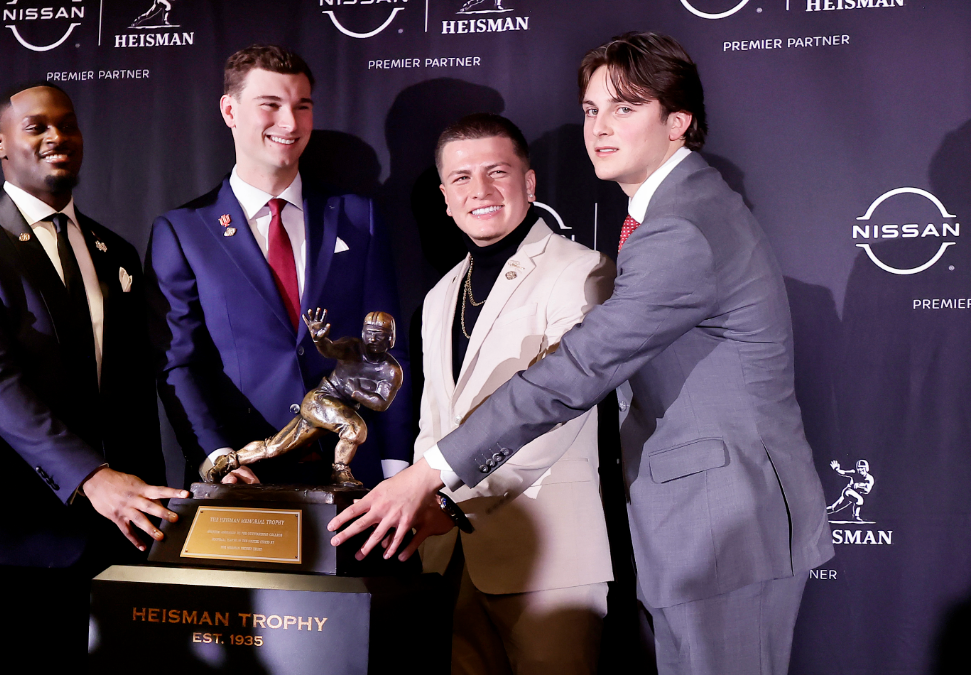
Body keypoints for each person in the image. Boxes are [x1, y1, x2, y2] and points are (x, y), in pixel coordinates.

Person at [329, 32, 834, 675]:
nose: (599, 126)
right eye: (593, 109)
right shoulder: (672, 212)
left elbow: (576, 372)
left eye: (625, 107)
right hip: (696, 523)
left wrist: (431, 473)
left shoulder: (684, 226)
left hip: (725, 527)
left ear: (678, 122)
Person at [0, 82, 184, 670]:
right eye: (36, 126)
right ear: (0, 143)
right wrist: (92, 477)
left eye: (67, 125)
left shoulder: (113, 250)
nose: (56, 137)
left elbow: (143, 384)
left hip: (123, 531)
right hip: (14, 542)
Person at [146, 44, 411, 487]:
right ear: (229, 110)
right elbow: (180, 363)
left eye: (302, 106)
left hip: (356, 478)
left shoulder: (357, 217)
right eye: (270, 105)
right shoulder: (183, 232)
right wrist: (217, 458)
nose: (290, 123)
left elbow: (388, 349)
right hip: (245, 478)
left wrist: (396, 468)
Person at [417, 113, 616, 674]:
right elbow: (432, 423)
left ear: (529, 185)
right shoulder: (439, 295)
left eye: (497, 172)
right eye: (461, 179)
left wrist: (445, 500)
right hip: (449, 560)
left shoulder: (583, 273)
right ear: (446, 198)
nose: (479, 191)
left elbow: (556, 417)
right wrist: (422, 505)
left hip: (551, 562)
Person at [207, 309, 403, 486]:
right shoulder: (352, 347)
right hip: (319, 400)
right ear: (363, 333)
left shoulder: (391, 371)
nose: (374, 338)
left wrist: (355, 392)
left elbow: (381, 404)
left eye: (380, 334)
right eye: (370, 332)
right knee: (355, 429)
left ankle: (229, 461)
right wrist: (320, 340)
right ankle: (340, 471)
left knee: (274, 447)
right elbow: (330, 350)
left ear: (391, 338)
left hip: (335, 412)